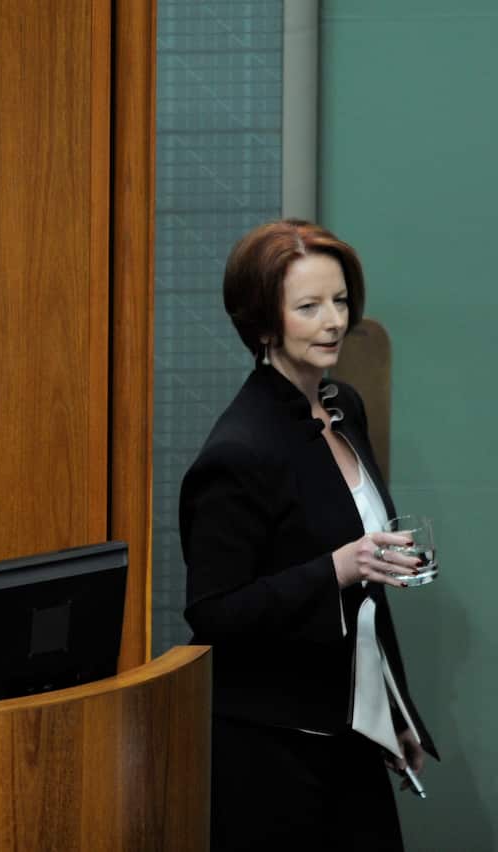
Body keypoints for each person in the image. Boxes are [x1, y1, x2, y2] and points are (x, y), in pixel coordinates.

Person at [180, 220, 437, 850]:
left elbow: (365, 594)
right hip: (270, 748)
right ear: (264, 324)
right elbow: (213, 612)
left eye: (341, 301)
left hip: (351, 728)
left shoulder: (344, 405)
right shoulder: (237, 451)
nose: (334, 322)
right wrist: (338, 567)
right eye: (309, 307)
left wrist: (396, 710)